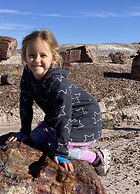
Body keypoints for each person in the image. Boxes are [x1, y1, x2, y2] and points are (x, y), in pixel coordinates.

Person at [6, 29, 111, 176]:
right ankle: (58, 140)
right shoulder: (28, 74)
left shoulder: (58, 83)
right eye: (31, 55)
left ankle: (97, 159)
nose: (36, 60)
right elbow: (25, 102)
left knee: (63, 149)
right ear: (24, 57)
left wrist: (62, 151)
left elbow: (64, 116)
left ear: (53, 58)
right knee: (35, 138)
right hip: (56, 118)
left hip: (85, 119)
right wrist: (24, 131)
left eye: (43, 55)